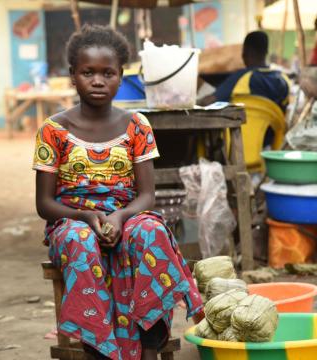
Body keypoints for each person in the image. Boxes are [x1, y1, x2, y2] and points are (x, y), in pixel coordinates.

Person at [33, 25, 203, 360]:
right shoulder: (53, 130)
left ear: (121, 75)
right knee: (81, 241)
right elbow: (44, 203)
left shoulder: (136, 125)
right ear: (72, 75)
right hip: (71, 220)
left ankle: (150, 339)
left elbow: (146, 196)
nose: (98, 81)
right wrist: (84, 215)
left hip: (126, 213)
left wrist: (120, 216)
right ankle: (98, 348)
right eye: (87, 72)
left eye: (107, 73)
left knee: (151, 230)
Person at [200, 31, 290, 113]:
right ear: (266, 52)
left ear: (244, 54)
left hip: (244, 130)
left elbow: (208, 102)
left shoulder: (243, 77)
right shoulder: (282, 78)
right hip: (274, 129)